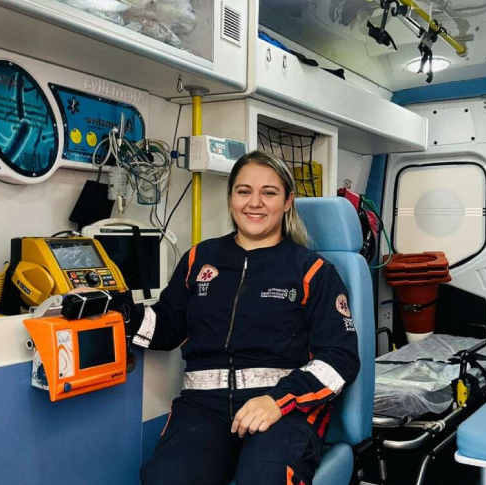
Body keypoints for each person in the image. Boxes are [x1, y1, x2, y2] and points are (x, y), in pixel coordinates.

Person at [112, 150, 359, 485]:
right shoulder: (199, 259)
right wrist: (118, 311)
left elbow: (339, 358)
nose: (254, 203)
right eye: (244, 191)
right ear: (231, 198)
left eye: (268, 193)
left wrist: (278, 400)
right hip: (203, 409)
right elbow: (167, 326)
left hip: (283, 410)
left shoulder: (313, 271)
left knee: (263, 478)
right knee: (165, 479)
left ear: (287, 201)